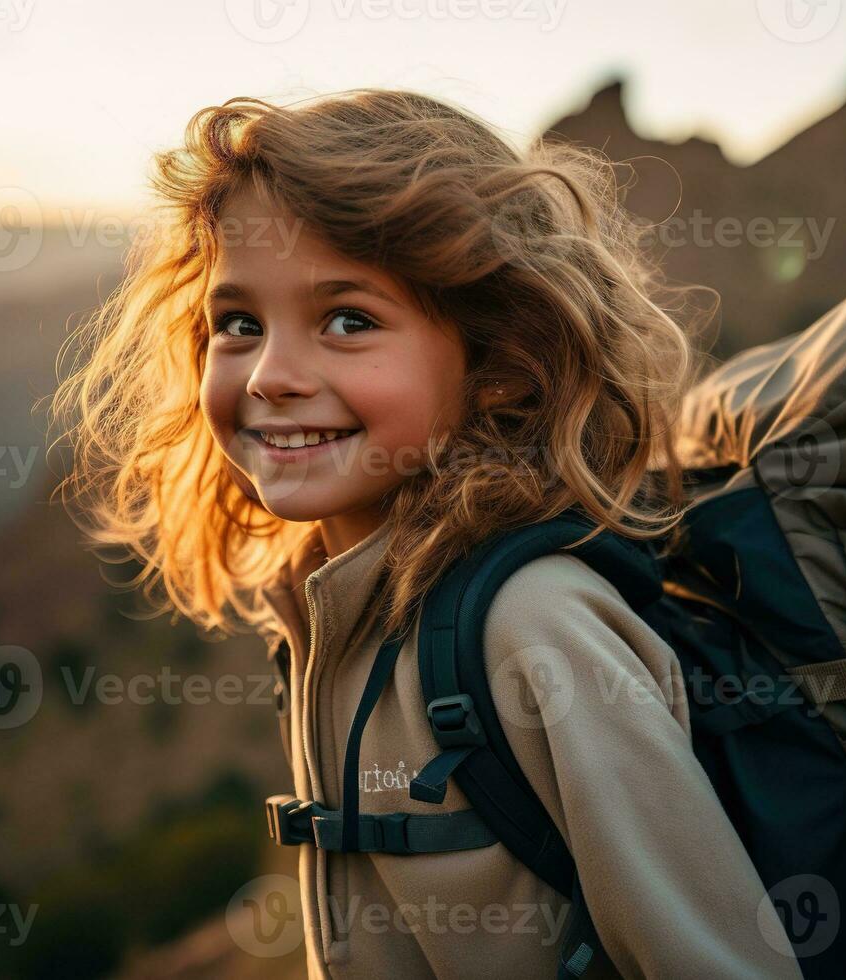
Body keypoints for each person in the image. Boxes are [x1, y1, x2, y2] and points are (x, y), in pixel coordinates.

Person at [50, 88, 805, 980]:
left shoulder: (535, 625)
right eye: (239, 323)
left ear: (495, 363)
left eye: (349, 320)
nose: (271, 375)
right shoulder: (327, 603)